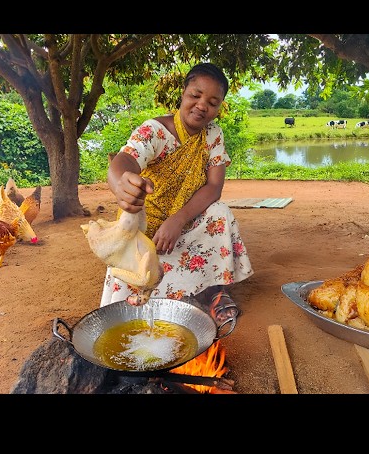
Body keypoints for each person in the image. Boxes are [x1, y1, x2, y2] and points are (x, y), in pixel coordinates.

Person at [101, 62, 254, 329]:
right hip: (146, 231)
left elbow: (214, 187)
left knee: (220, 212)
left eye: (213, 102)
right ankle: (177, 297)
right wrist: (122, 184)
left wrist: (178, 219)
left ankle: (213, 292)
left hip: (182, 224)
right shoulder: (155, 131)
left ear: (219, 107)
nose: (202, 106)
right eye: (195, 95)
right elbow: (124, 161)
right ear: (183, 94)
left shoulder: (213, 135)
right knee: (135, 300)